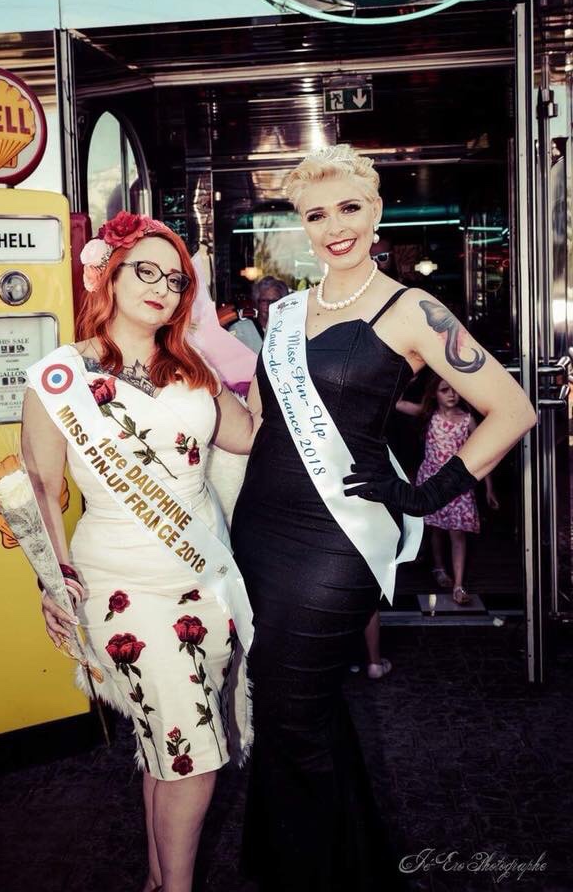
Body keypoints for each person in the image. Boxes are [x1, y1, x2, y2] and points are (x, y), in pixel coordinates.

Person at [230, 144, 536, 891]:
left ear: (375, 212)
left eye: (349, 208)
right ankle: (329, 863)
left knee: (291, 710)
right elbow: (259, 423)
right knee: (290, 705)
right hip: (262, 529)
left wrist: (426, 496)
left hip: (336, 541)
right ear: (302, 226)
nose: (334, 227)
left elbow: (512, 410)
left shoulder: (415, 310)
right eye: (316, 214)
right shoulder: (285, 311)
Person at [21, 212, 259, 892]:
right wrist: (52, 581)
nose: (162, 287)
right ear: (109, 276)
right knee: (196, 755)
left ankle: (159, 881)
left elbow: (247, 438)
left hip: (203, 580)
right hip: (121, 585)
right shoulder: (59, 377)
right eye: (146, 271)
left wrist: (281, 368)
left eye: (176, 279)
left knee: (168, 748)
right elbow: (42, 489)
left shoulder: (191, 368)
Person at [397, 375, 500, 604]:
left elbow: (484, 452)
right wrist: (407, 379)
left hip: (458, 483)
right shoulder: (428, 415)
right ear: (434, 394)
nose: (452, 395)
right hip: (431, 481)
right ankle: (439, 568)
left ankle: (458, 585)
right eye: (444, 390)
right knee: (436, 528)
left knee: (457, 531)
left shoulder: (468, 420)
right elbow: (398, 403)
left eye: (455, 390)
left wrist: (489, 488)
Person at [228, 275, 290, 352]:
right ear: (256, 304)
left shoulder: (291, 331)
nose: (270, 306)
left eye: (275, 301)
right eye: (264, 301)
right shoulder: (240, 330)